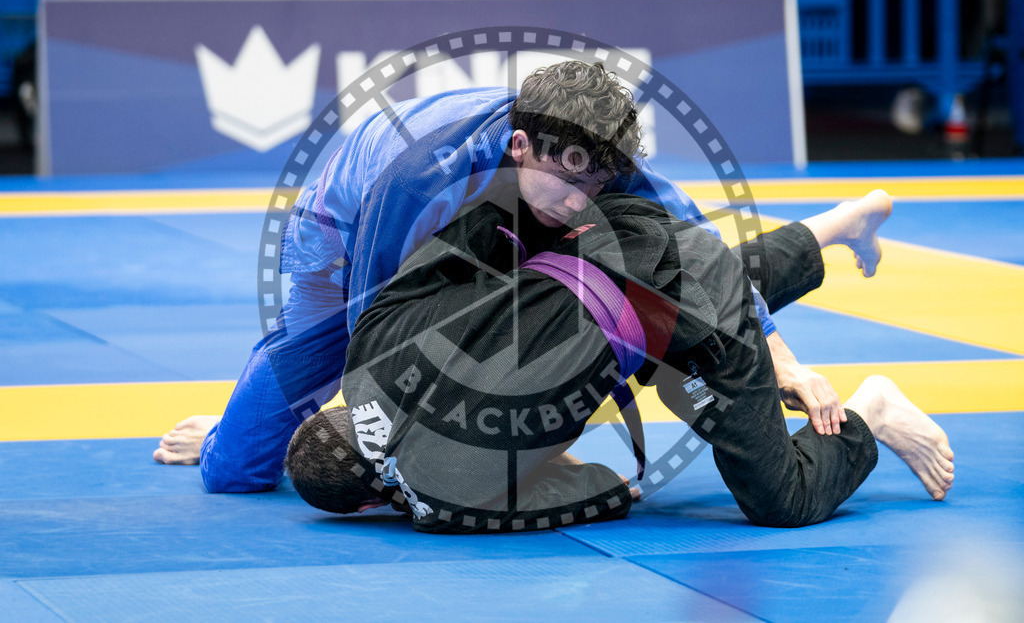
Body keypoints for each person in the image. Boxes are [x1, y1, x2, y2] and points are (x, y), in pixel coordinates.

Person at [153, 61, 892, 493]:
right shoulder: (417, 176)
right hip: (344, 242)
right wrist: (378, 439)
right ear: (517, 145)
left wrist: (783, 357)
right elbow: (369, 337)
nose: (584, 202)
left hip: (487, 231)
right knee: (238, 469)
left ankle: (836, 224)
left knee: (655, 275)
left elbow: (698, 257)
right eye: (570, 185)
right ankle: (230, 430)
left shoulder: (591, 159)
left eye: (596, 186)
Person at [283, 190, 953, 533]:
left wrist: (596, 489)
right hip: (601, 259)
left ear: (374, 500)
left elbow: (604, 487)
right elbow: (471, 239)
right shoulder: (375, 350)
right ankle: (840, 223)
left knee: (782, 496)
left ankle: (873, 411)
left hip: (655, 326)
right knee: (693, 273)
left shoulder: (434, 484)